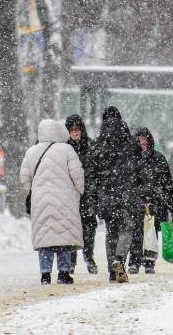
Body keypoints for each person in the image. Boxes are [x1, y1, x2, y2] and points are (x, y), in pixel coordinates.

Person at [20, 119, 85, 285]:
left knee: (45, 237)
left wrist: (33, 192)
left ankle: (45, 274)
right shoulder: (67, 149)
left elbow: (24, 179)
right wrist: (80, 190)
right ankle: (64, 272)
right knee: (63, 235)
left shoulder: (31, 152)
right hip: (64, 199)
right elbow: (77, 174)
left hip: (40, 200)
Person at [89, 106, 141, 283]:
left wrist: (95, 196)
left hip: (106, 193)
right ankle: (120, 258)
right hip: (126, 193)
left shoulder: (98, 144)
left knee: (111, 231)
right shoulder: (130, 143)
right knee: (126, 228)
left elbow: (92, 172)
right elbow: (139, 168)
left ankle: (112, 269)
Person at [128, 127, 173, 274]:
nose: (142, 142)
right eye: (139, 139)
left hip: (156, 202)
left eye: (144, 139)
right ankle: (135, 261)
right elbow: (129, 182)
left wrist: (171, 203)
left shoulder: (159, 158)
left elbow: (167, 182)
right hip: (137, 202)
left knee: (151, 233)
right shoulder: (132, 159)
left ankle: (149, 262)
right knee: (137, 233)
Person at [65, 114, 98, 274]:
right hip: (71, 194)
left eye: (77, 129)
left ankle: (88, 256)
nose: (75, 132)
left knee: (89, 228)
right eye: (71, 130)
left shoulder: (91, 146)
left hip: (88, 194)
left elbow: (95, 170)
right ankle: (71, 260)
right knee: (72, 228)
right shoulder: (64, 148)